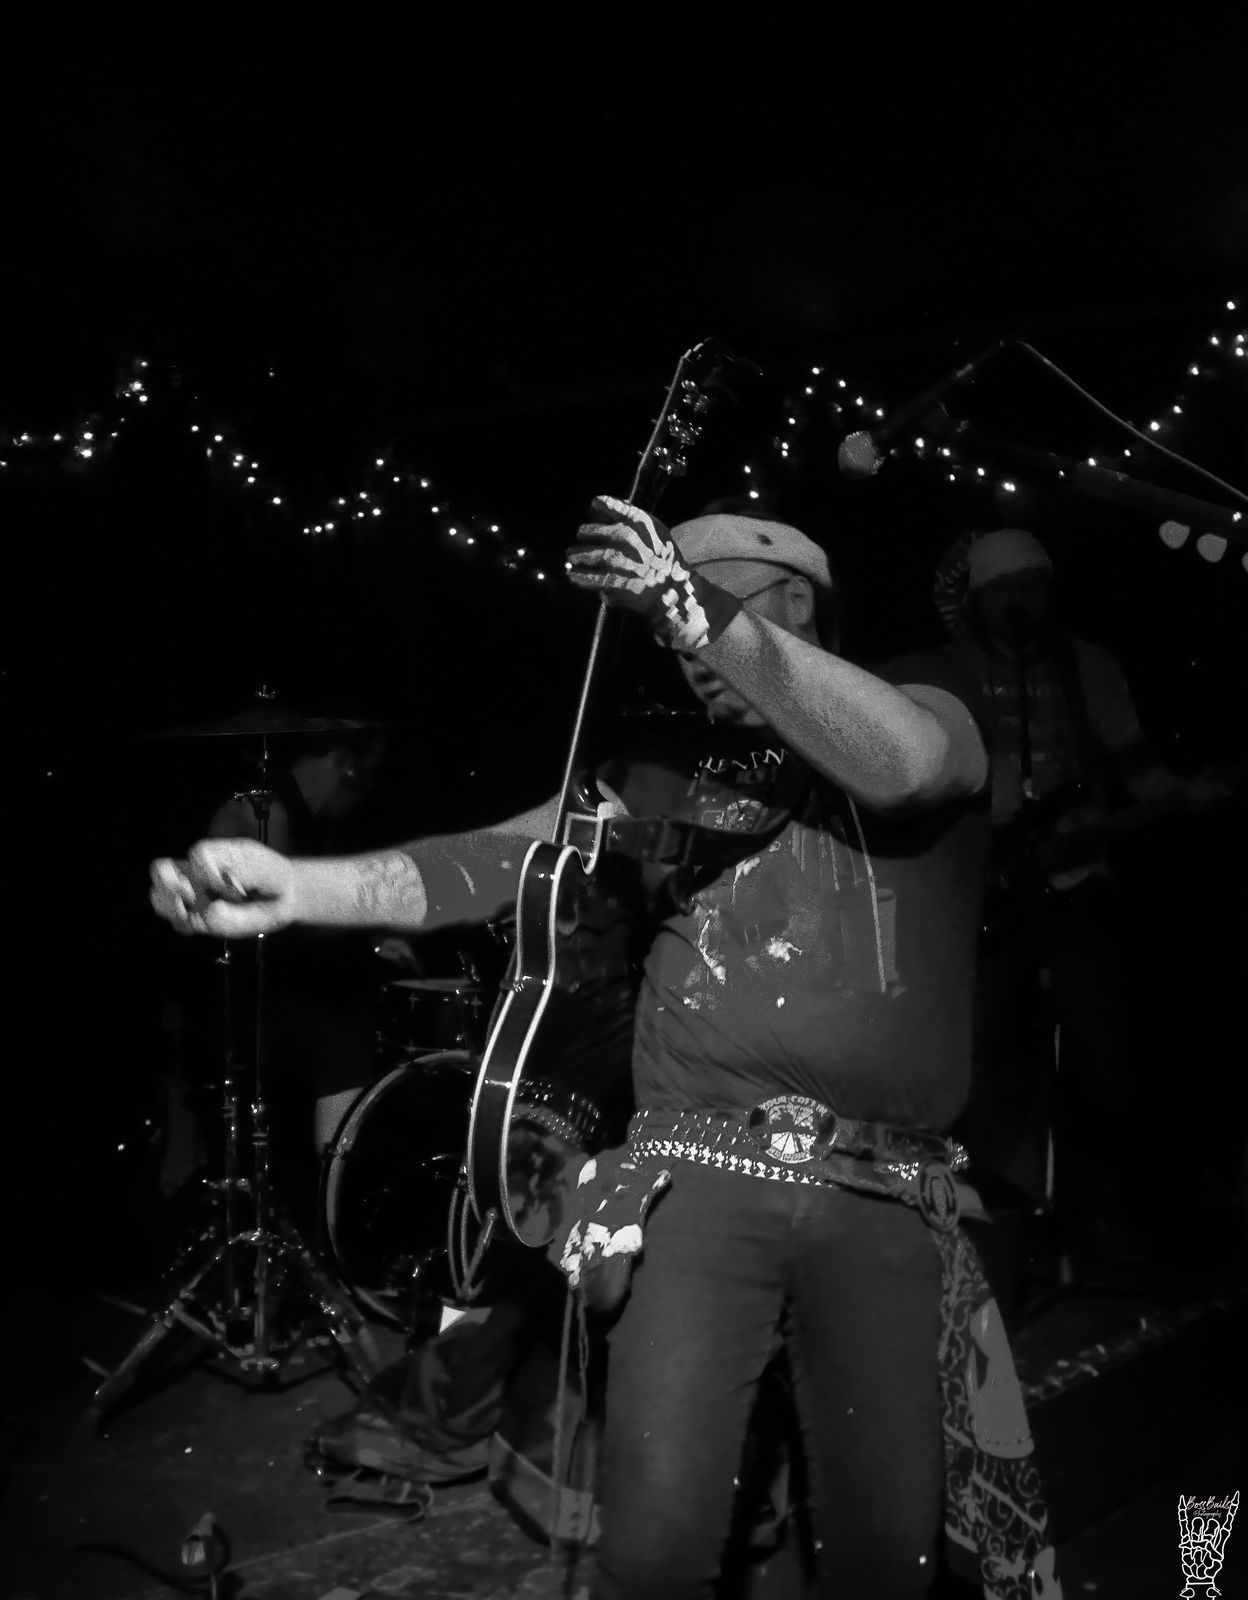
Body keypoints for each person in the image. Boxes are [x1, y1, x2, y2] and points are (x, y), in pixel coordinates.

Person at [152, 500, 1059, 1599]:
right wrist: (300, 887)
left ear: (795, 601)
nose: (688, 655)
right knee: (653, 1552)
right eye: (671, 632)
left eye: (710, 611)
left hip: (878, 1189)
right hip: (696, 1179)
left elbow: (908, 767)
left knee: (883, 1558)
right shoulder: (659, 768)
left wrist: (689, 606)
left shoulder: (928, 704)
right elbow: (488, 858)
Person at [934, 527, 1229, 1277]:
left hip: (1074, 887)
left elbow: (1134, 765)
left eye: (1033, 586)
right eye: (1006, 590)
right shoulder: (949, 670)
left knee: (1103, 1066)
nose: (1022, 601)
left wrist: (1183, 793)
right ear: (979, 599)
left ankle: (1096, 1223)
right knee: (981, 1066)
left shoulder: (1088, 666)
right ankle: (983, 1228)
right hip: (983, 893)